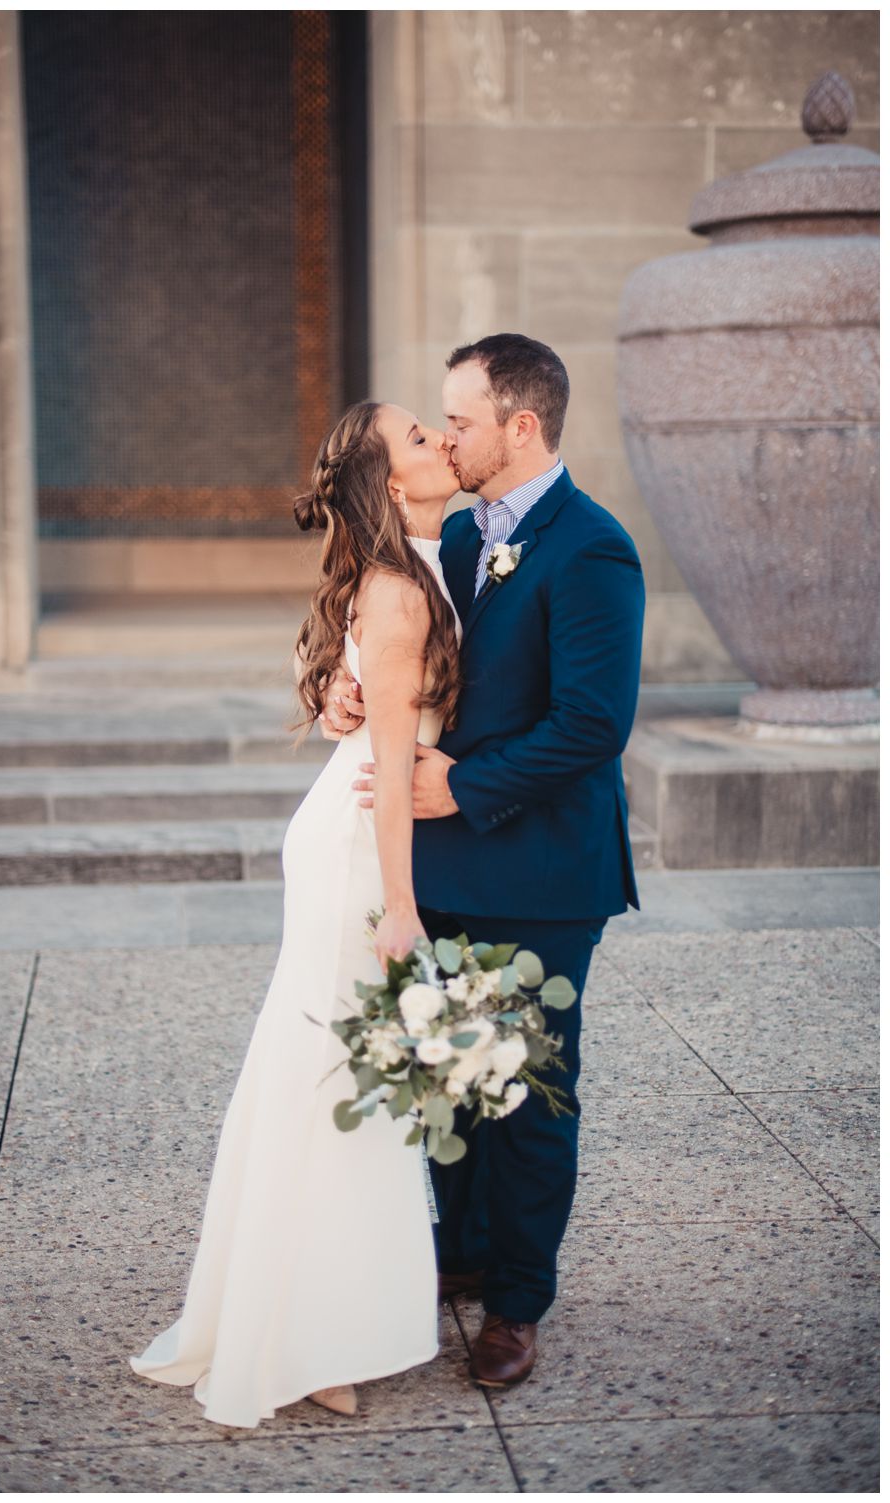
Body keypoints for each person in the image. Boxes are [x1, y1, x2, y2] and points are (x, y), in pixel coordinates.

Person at [131, 398, 465, 1425]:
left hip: (356, 824)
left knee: (337, 1070)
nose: (438, 441)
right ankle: (306, 1333)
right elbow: (392, 765)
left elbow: (340, 674)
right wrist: (400, 906)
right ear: (388, 483)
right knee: (334, 1077)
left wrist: (328, 686)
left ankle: (323, 1309)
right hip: (362, 844)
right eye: (417, 437)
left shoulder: (414, 565)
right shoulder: (400, 592)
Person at [340, 334, 644, 1389]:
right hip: (450, 864)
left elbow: (592, 725)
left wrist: (460, 786)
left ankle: (516, 1301)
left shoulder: (590, 546)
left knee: (526, 1092)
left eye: (458, 418)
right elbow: (417, 666)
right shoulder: (458, 533)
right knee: (450, 1075)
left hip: (545, 869)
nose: (445, 435)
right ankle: (460, 1255)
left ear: (520, 426)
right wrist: (360, 702)